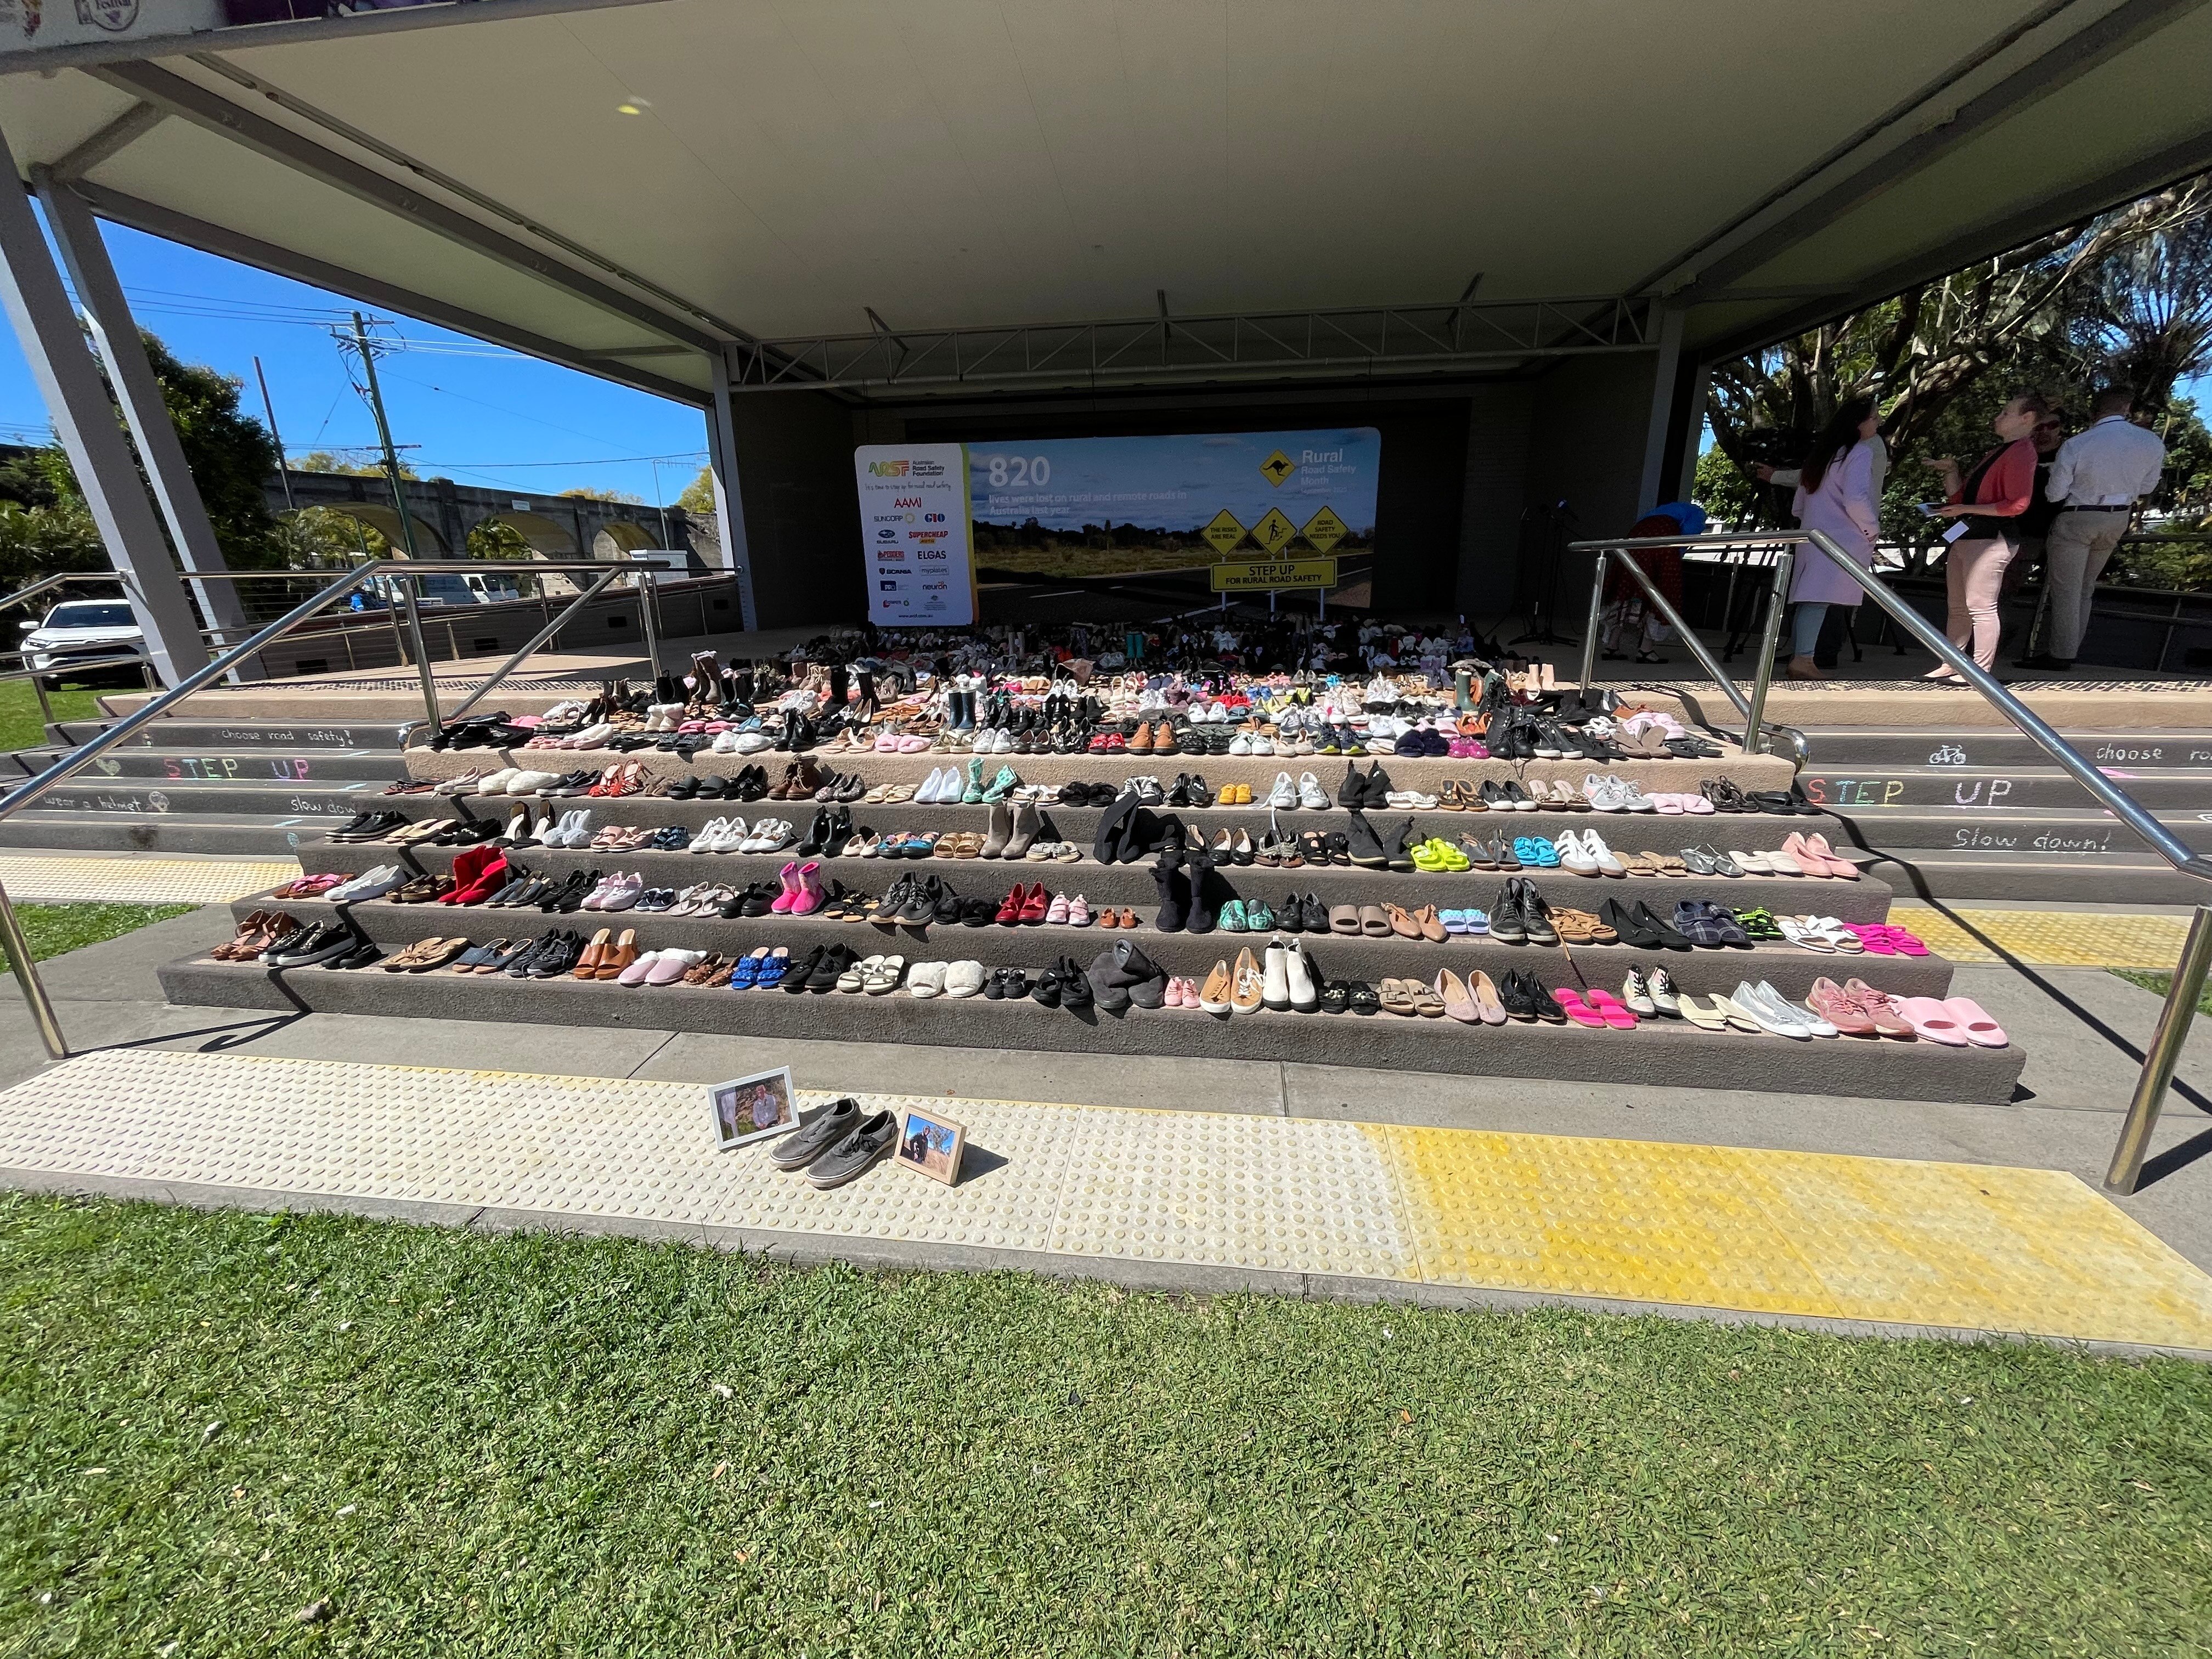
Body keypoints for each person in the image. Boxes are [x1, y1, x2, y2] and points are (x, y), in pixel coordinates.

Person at [2018, 386, 2168, 672]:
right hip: (2117, 517)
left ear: (2094, 411)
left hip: (2079, 515)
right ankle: (2070, 651)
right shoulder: (2151, 442)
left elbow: (2054, 495)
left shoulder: (2078, 443)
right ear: (2126, 409)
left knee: (2066, 590)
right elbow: (2147, 487)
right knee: (2086, 589)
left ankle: (2060, 654)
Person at [1923, 391, 2050, 679]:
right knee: (1959, 606)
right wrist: (1952, 471)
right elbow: (1960, 496)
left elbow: (2018, 504)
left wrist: (1964, 508)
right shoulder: (2001, 452)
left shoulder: (2022, 451)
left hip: (1991, 537)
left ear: (2027, 419)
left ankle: (1979, 670)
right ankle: (1952, 662)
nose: (1998, 417)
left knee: (1980, 606)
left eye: (2006, 412)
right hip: (1970, 535)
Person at [1783, 397, 1882, 680]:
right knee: (1819, 601)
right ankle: (1803, 659)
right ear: (1858, 423)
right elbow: (1856, 498)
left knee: (1812, 599)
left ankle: (1803, 657)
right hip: (1842, 539)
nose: (1878, 423)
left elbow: (1798, 505)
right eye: (1874, 417)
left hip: (1813, 535)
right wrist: (1871, 529)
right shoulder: (1860, 453)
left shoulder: (1823, 454)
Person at [1599, 500, 1705, 662]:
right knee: (1662, 593)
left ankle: (1612, 645)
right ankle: (1646, 650)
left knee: (1626, 589)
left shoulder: (1658, 512)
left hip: (1636, 538)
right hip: (1663, 540)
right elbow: (1688, 537)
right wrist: (1677, 558)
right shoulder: (1697, 513)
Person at [2002, 405, 2069, 663]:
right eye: (2039, 427)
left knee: (2006, 588)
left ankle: (1996, 641)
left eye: (2051, 426)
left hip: (2037, 538)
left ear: (2060, 430)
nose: (2044, 433)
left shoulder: (2066, 458)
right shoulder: (2020, 455)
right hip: (2005, 531)